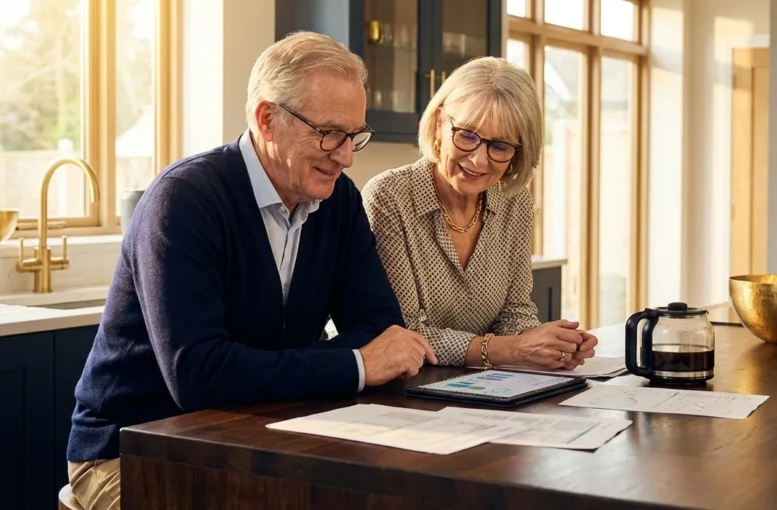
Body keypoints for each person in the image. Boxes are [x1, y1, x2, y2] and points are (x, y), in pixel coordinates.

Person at [66, 31, 437, 510]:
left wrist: (263, 367)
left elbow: (378, 328)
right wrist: (354, 364)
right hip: (130, 452)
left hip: (264, 439)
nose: (345, 156)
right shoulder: (184, 201)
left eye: (354, 137)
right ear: (267, 119)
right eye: (329, 133)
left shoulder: (338, 200)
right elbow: (198, 375)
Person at [362, 56, 597, 370]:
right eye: (467, 135)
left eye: (499, 146)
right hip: (402, 391)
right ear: (439, 124)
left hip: (482, 386)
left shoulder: (516, 203)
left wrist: (550, 346)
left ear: (517, 153)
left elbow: (515, 313)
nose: (479, 160)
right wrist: (508, 349)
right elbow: (403, 335)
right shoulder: (389, 197)